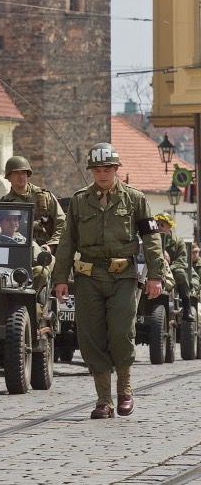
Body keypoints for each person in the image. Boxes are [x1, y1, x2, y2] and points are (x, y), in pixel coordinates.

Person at [53, 143, 164, 420]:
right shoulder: (79, 201)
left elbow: (151, 239)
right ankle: (104, 400)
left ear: (116, 170)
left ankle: (125, 390)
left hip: (123, 276)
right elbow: (67, 241)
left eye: (108, 169)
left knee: (121, 332)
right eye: (97, 169)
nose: (102, 174)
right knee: (91, 337)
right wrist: (60, 278)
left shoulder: (135, 199)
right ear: (92, 171)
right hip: (88, 276)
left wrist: (155, 275)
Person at [0, 156, 65, 253]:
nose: (21, 176)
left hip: (45, 250)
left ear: (28, 175)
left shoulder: (45, 197)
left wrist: (51, 245)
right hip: (16, 249)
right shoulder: (4, 203)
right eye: (16, 173)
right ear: (9, 177)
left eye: (23, 173)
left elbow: (62, 223)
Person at [155, 212, 193, 317]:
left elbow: (181, 261)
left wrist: (168, 266)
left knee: (180, 273)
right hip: (153, 268)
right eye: (157, 224)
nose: (159, 227)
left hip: (172, 270)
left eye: (162, 225)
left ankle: (186, 307)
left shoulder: (178, 242)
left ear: (169, 226)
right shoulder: (152, 240)